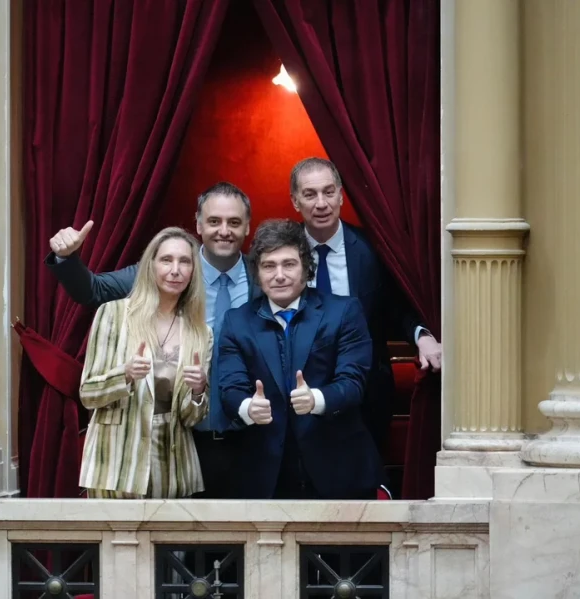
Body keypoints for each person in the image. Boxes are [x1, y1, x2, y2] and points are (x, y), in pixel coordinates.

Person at [47, 182, 256, 498]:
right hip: (177, 441)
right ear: (198, 224)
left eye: (234, 222)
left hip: (243, 438)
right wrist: (67, 259)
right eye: (214, 221)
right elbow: (92, 290)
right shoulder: (165, 268)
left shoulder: (266, 276)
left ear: (247, 227)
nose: (223, 230)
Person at [217, 219, 384, 499]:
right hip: (266, 473)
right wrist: (248, 407)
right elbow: (230, 386)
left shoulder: (343, 312)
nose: (279, 275)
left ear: (306, 267)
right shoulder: (237, 321)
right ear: (257, 273)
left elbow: (353, 382)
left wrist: (316, 399)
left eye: (289, 264)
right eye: (269, 266)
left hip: (338, 469)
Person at [288, 157, 443, 455]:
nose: (321, 203)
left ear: (342, 195)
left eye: (329, 191)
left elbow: (395, 308)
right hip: (298, 394)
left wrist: (422, 336)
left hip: (365, 394)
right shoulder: (282, 253)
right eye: (310, 194)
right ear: (295, 201)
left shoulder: (373, 247)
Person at [78, 227, 211, 498]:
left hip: (172, 467)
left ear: (193, 271)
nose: (175, 270)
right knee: (115, 540)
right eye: (166, 260)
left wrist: (198, 392)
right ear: (150, 265)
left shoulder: (200, 333)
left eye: (185, 262)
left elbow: (191, 418)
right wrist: (124, 374)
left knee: (168, 542)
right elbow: (87, 394)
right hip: (115, 464)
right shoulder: (113, 313)